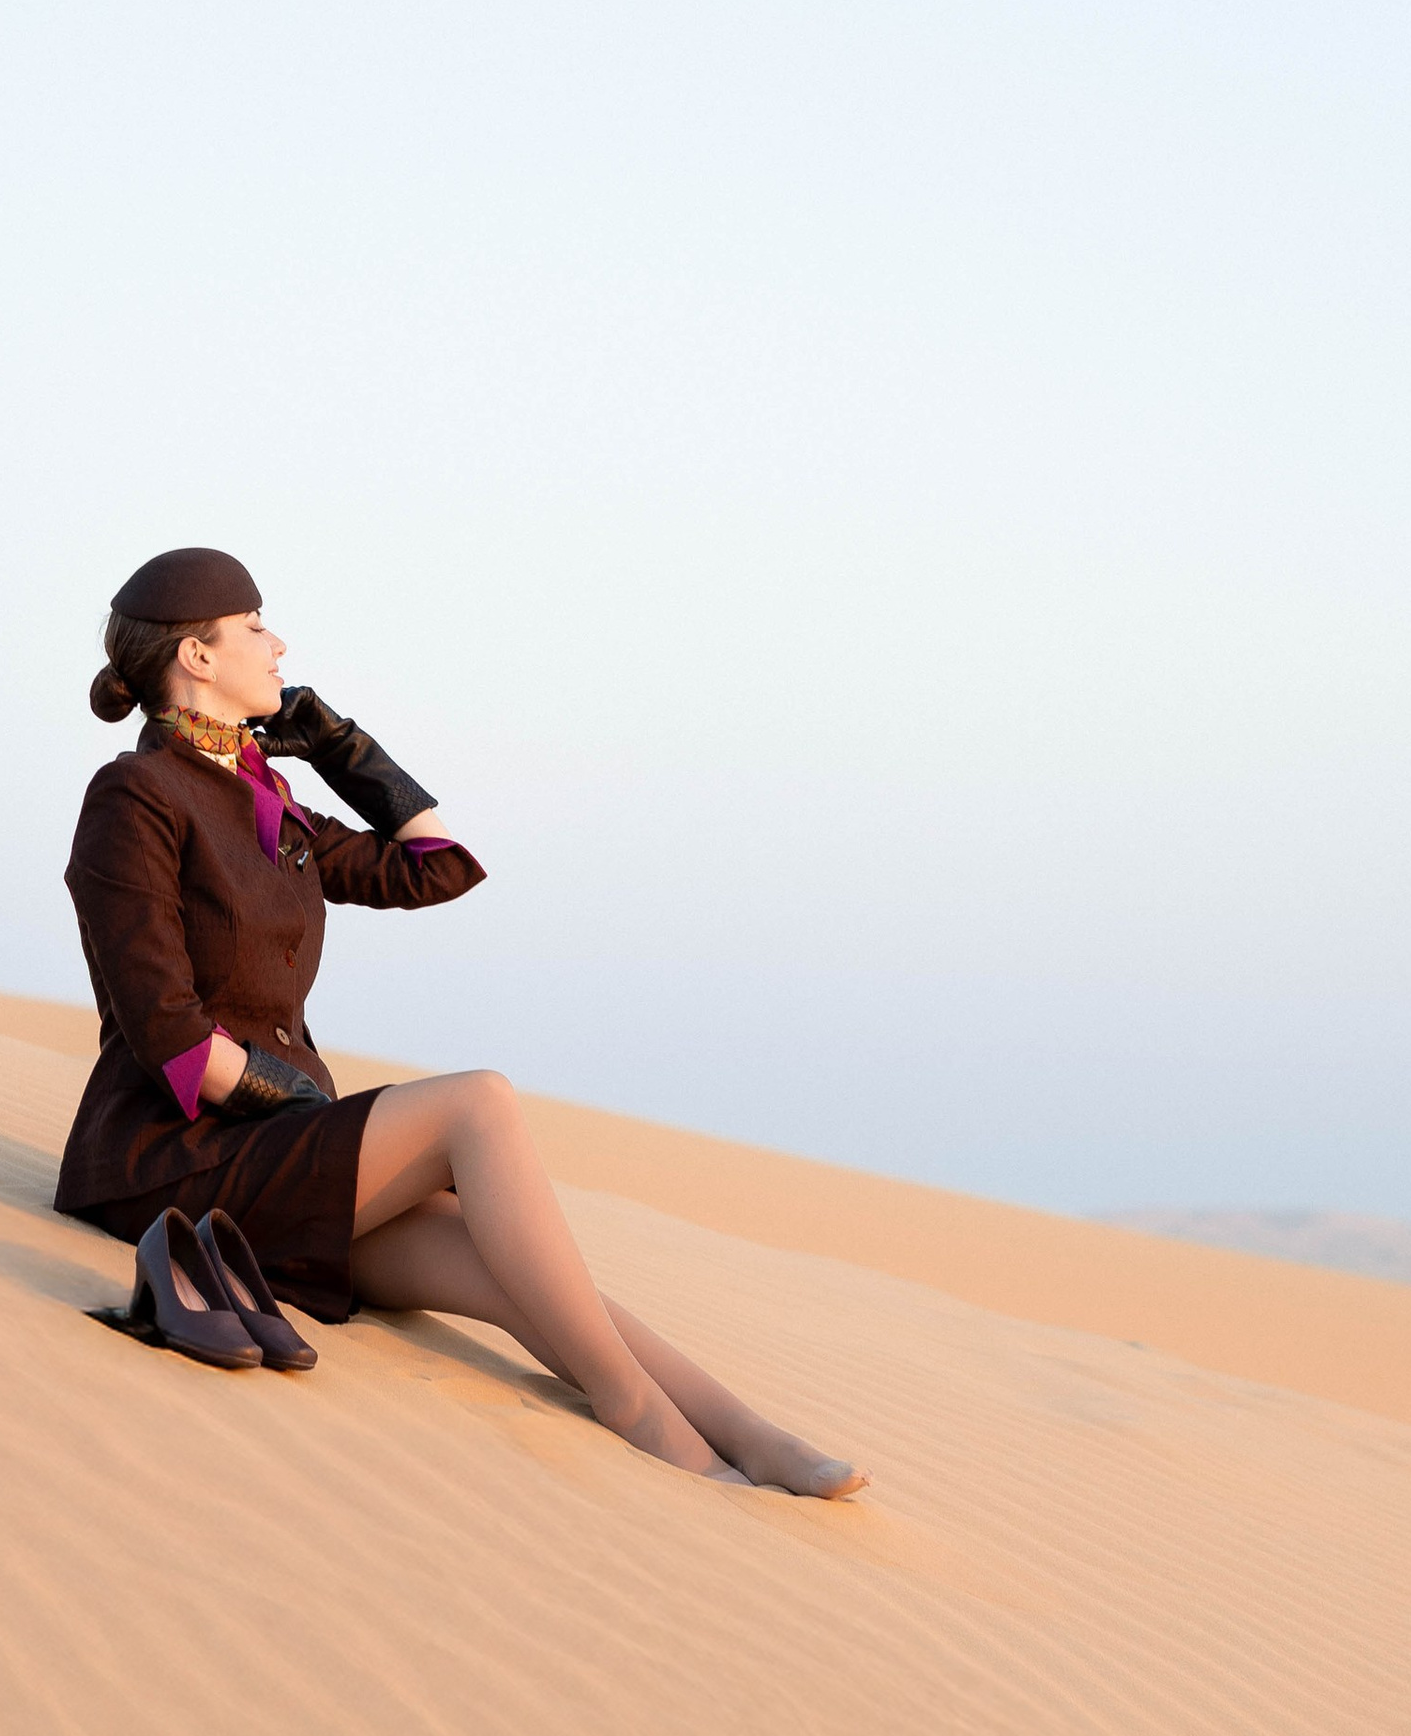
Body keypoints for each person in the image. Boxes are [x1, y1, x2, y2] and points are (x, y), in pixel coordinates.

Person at [57, 545, 865, 1497]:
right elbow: (175, 1043)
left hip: (266, 1166)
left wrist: (340, 745)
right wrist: (312, 1127)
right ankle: (636, 1411)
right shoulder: (135, 796)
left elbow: (434, 864)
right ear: (197, 655)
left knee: (520, 1269)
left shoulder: (271, 805)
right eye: (255, 627)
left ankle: (748, 1433)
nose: (279, 644)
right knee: (479, 1102)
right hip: (167, 1159)